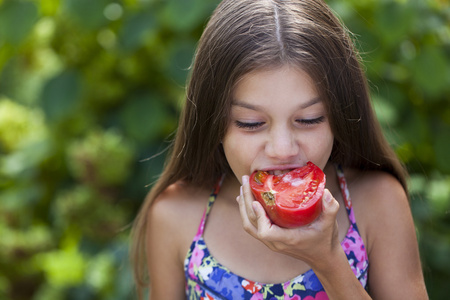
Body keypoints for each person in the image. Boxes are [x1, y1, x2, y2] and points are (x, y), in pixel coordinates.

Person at [131, 0, 429, 299]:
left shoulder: (377, 201)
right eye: (251, 123)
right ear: (213, 123)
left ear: (340, 117)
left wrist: (326, 260)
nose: (283, 149)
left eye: (308, 119)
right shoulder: (176, 214)